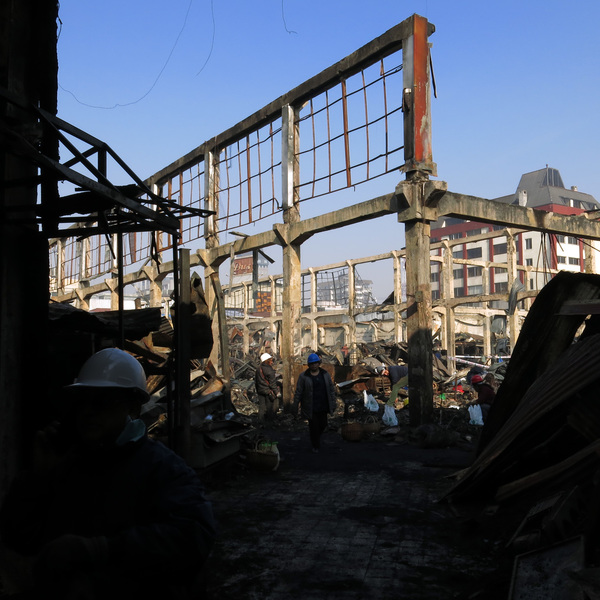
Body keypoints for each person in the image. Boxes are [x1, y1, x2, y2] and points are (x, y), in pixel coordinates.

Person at [0, 347, 217, 600]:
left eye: (102, 402)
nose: (89, 412)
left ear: (133, 409)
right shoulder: (65, 467)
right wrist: (35, 480)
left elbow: (193, 537)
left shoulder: (163, 468)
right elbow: (18, 538)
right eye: (83, 403)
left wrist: (101, 550)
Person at [293, 353, 337, 453]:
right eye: (312, 364)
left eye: (316, 363)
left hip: (323, 404)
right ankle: (315, 445)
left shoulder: (325, 375)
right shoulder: (304, 376)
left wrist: (333, 402)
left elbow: (331, 389)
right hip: (310, 406)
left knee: (323, 424)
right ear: (309, 365)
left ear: (319, 364)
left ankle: (315, 438)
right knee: (313, 426)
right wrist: (295, 406)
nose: (314, 365)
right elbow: (299, 391)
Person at [255, 352, 280, 422]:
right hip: (268, 392)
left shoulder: (258, 369)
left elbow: (256, 381)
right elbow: (272, 384)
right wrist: (277, 392)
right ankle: (269, 424)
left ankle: (260, 422)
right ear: (267, 361)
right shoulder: (270, 370)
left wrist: (258, 390)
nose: (272, 362)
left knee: (262, 407)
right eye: (271, 360)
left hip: (260, 391)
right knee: (269, 408)